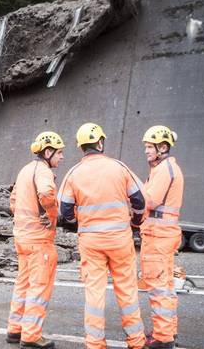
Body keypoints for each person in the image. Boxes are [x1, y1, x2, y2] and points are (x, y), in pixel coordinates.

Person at [58, 123, 147, 349]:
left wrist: (78, 221)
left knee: (94, 293)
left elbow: (65, 210)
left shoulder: (73, 173)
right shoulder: (119, 167)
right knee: (127, 290)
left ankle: (95, 343)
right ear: (100, 143)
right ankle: (136, 341)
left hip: (91, 242)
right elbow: (140, 201)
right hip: (120, 239)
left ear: (81, 148)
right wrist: (136, 222)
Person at [6, 131, 65, 349]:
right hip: (39, 240)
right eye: (59, 153)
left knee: (23, 283)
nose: (61, 157)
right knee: (39, 287)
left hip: (22, 237)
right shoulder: (43, 172)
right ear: (47, 152)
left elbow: (13, 200)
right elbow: (47, 193)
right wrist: (50, 216)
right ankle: (31, 336)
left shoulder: (25, 170)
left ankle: (15, 329)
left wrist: (26, 216)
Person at [140, 125, 184, 349]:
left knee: (158, 287)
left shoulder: (165, 170)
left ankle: (163, 338)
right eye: (146, 146)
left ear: (163, 147)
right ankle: (168, 331)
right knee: (165, 286)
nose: (146, 151)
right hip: (161, 235)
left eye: (150, 147)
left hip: (158, 237)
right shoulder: (163, 168)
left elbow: (150, 201)